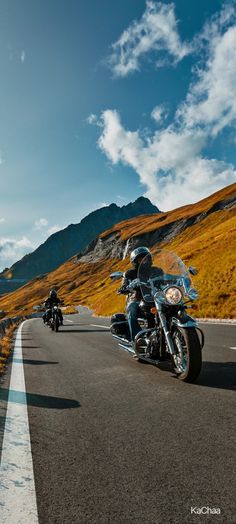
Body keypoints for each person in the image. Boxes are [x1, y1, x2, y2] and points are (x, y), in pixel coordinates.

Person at [118, 247, 163, 341]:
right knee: (132, 310)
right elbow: (125, 284)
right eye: (140, 259)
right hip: (137, 299)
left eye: (146, 258)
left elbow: (165, 280)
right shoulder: (130, 273)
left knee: (173, 307)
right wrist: (124, 287)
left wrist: (179, 280)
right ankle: (137, 339)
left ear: (150, 258)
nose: (144, 261)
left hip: (157, 298)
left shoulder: (157, 270)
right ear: (135, 262)